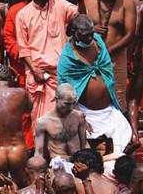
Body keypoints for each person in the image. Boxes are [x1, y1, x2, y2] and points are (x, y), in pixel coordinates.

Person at [57, 14, 135, 154]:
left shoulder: (97, 42)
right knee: (88, 150)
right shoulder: (67, 57)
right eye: (85, 35)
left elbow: (106, 68)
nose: (89, 38)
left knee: (124, 137)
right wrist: (79, 115)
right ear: (75, 35)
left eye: (91, 34)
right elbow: (64, 89)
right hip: (87, 114)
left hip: (109, 110)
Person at [15, 0, 79, 128]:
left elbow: (81, 17)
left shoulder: (60, 6)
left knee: (64, 121)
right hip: (38, 75)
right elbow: (24, 49)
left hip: (60, 73)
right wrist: (35, 70)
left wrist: (81, 0)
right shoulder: (23, 15)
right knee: (40, 121)